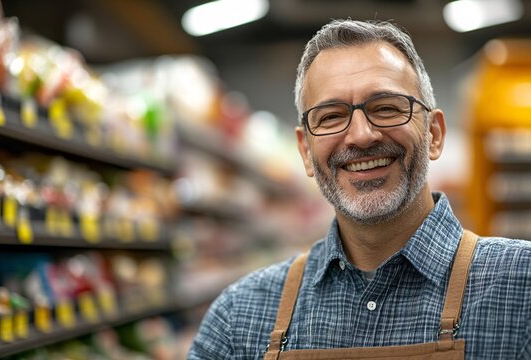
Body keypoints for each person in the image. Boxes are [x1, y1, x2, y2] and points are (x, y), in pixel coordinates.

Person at [187, 19, 531, 359]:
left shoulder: (521, 288)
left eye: (386, 108)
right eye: (331, 116)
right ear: (306, 151)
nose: (361, 135)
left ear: (434, 134)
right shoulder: (239, 318)